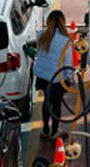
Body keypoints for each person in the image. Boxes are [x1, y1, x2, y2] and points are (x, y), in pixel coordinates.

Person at [30, 10, 73, 140]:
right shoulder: (65, 40)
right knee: (56, 105)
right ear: (63, 22)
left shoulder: (42, 35)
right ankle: (55, 131)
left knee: (46, 103)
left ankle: (45, 130)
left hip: (43, 76)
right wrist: (71, 79)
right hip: (57, 78)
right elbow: (68, 62)